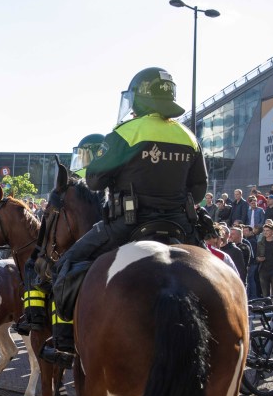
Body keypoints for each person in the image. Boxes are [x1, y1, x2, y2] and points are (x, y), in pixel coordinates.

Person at [44, 67, 207, 366]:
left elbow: (93, 181)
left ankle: (65, 340)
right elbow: (199, 189)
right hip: (181, 227)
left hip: (128, 226)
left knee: (65, 265)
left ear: (140, 98)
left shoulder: (126, 133)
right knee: (218, 270)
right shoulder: (188, 136)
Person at [13, 133, 103, 336]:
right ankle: (34, 317)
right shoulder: (96, 182)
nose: (80, 162)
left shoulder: (85, 187)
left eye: (84, 156)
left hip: (96, 238)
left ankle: (60, 337)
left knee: (59, 270)